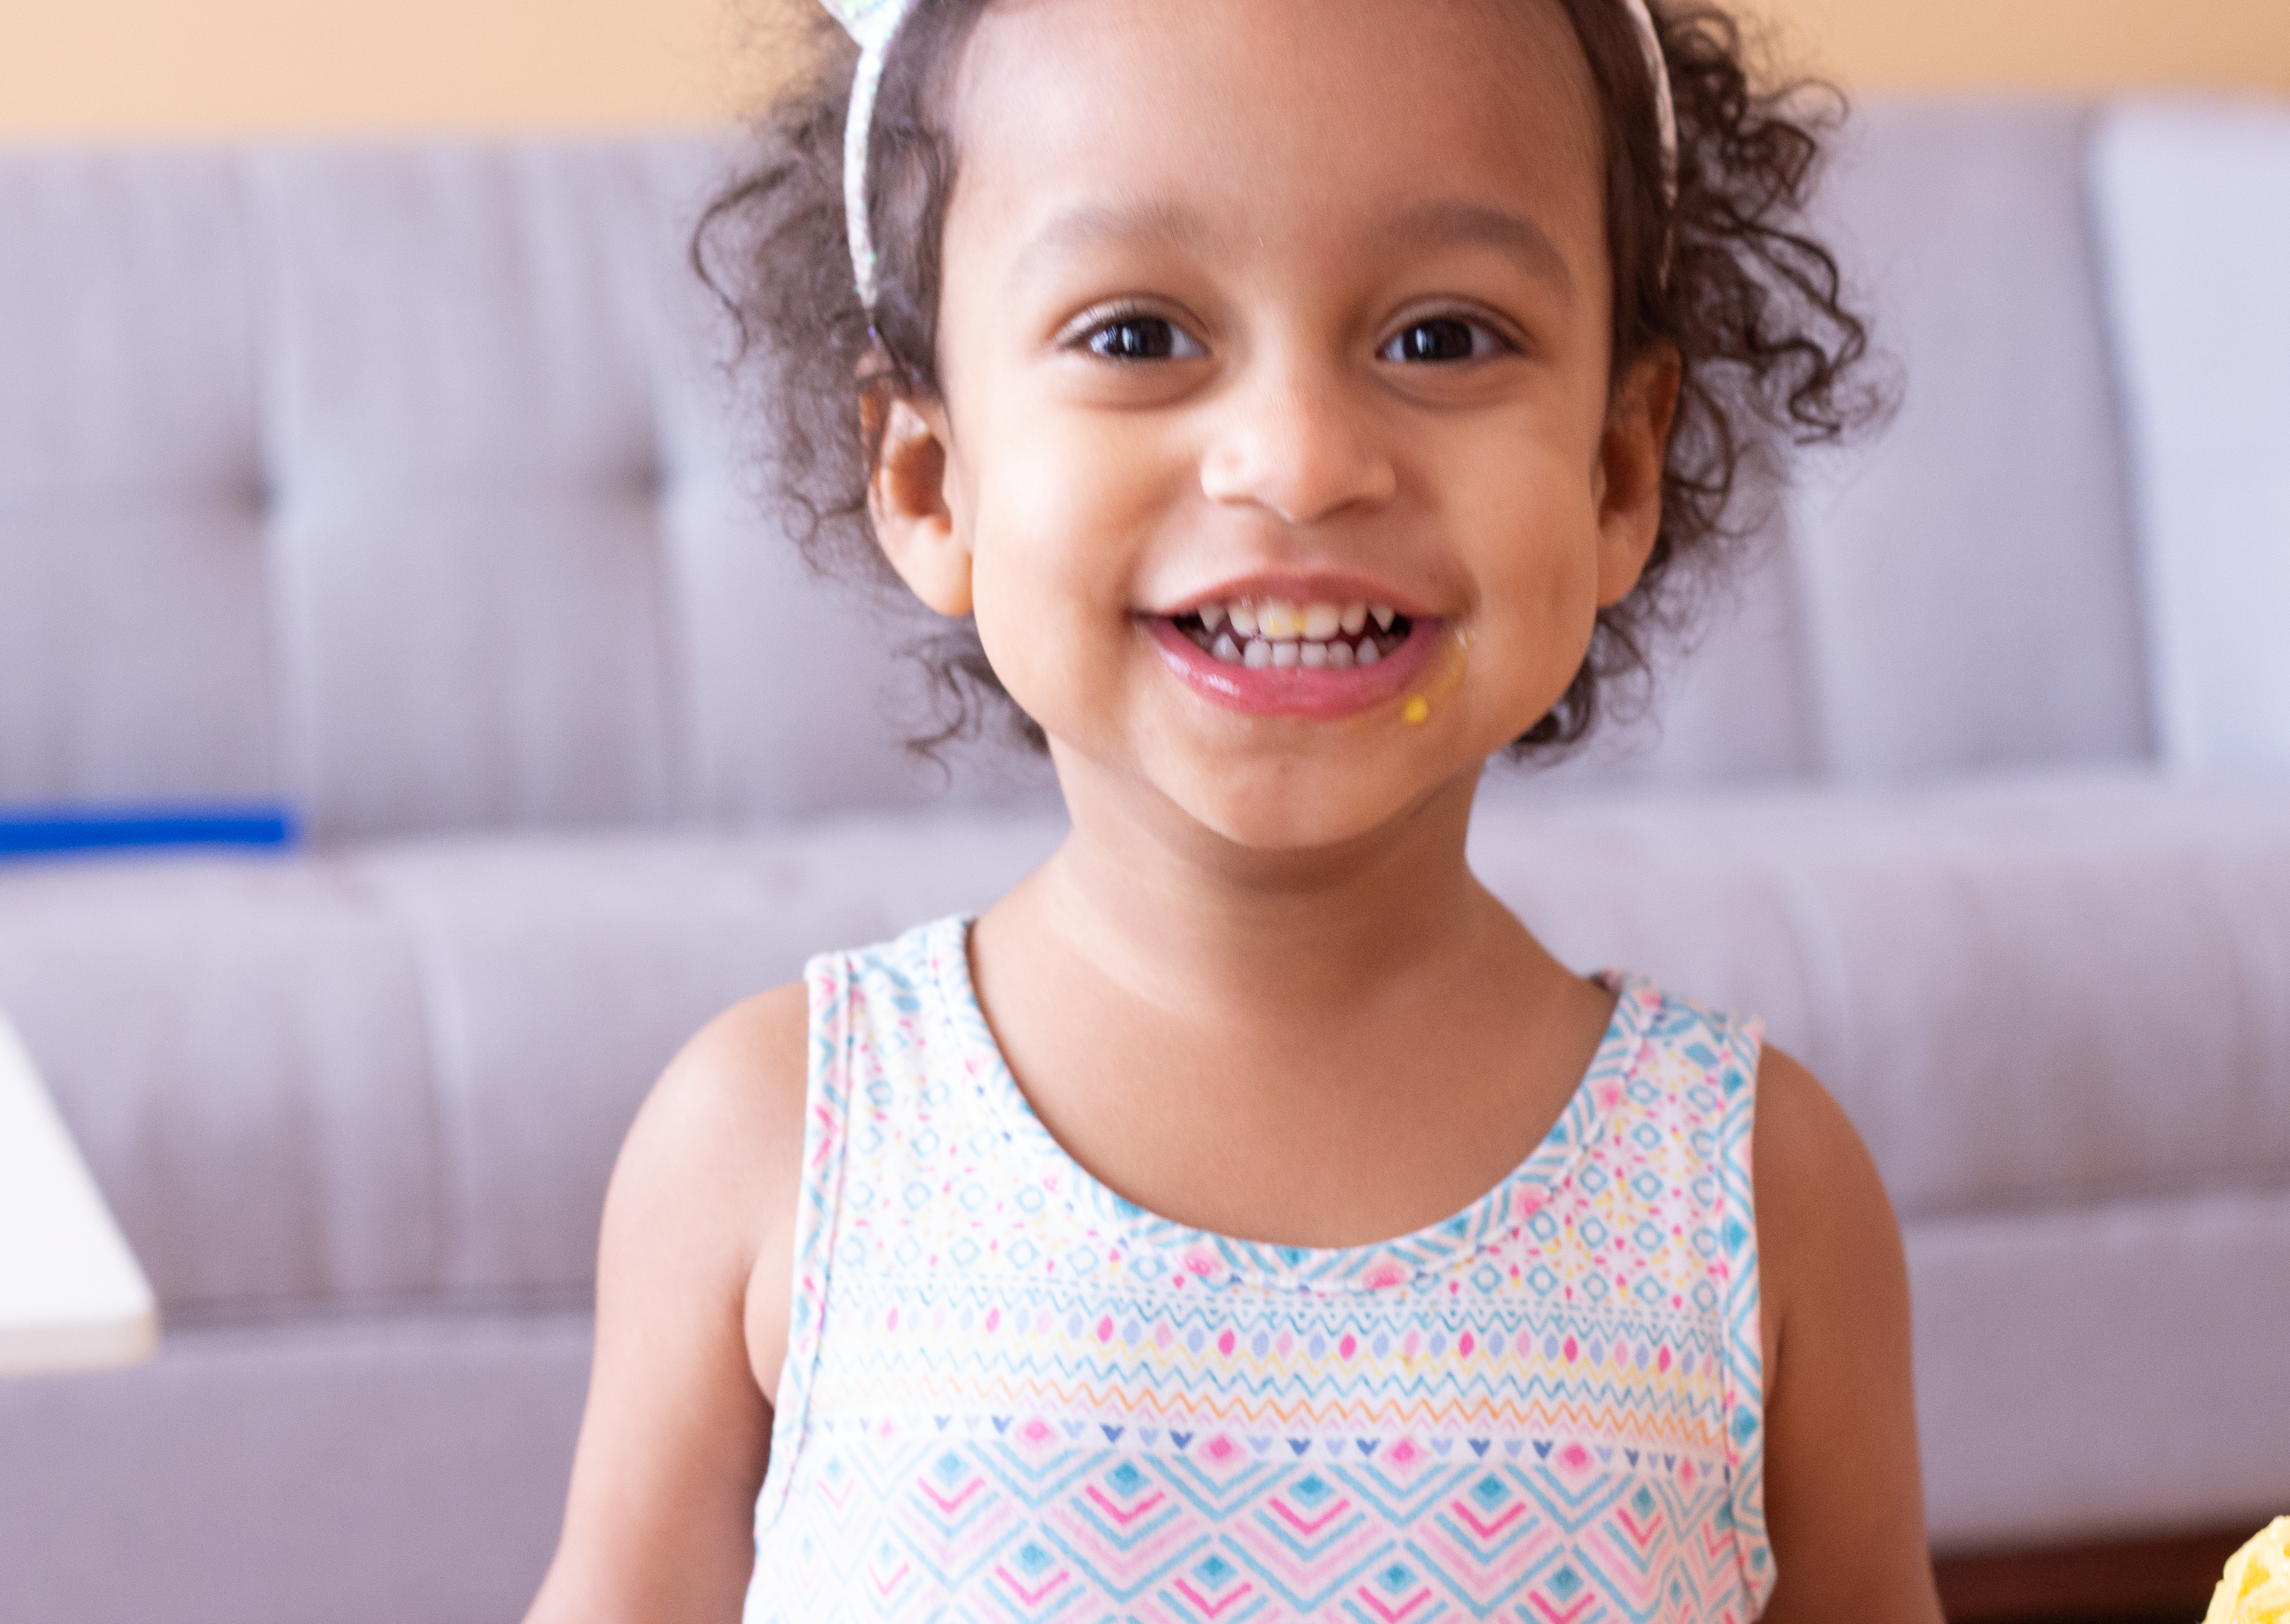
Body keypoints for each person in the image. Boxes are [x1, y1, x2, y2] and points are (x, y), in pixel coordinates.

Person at [526, 0, 1941, 1617]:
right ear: (928, 479)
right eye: (1138, 336)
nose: (1299, 461)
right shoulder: (774, 1142)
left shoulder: (1754, 1193)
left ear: (1619, 471)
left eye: (1442, 337)